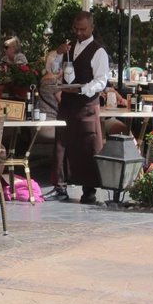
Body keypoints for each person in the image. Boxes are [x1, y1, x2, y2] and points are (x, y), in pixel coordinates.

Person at [47, 11, 109, 205]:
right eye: (76, 29)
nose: (79, 33)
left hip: (86, 105)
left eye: (83, 29)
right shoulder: (68, 47)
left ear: (92, 28)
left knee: (87, 146)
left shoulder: (98, 51)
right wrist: (57, 53)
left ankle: (88, 190)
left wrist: (84, 90)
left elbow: (101, 81)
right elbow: (53, 70)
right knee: (61, 144)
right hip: (67, 103)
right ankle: (60, 186)